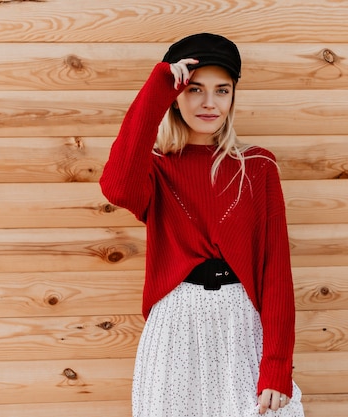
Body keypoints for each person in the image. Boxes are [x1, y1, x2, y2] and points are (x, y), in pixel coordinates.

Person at [99, 33, 304, 417]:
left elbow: (276, 270)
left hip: (241, 325)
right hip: (175, 326)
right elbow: (117, 186)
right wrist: (156, 90)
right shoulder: (156, 167)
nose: (209, 103)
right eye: (194, 89)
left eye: (222, 90)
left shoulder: (258, 166)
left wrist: (277, 364)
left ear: (232, 97)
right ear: (176, 96)